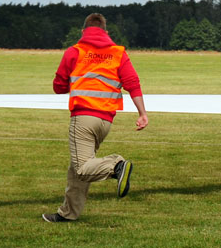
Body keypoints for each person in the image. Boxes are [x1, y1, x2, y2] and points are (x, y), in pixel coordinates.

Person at [42, 13, 149, 222]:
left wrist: (75, 82)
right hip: (105, 122)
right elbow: (133, 83)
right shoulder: (118, 53)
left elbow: (58, 87)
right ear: (106, 33)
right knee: (76, 168)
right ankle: (68, 214)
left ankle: (116, 165)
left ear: (83, 31)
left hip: (83, 118)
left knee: (82, 169)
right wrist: (142, 114)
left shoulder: (74, 52)